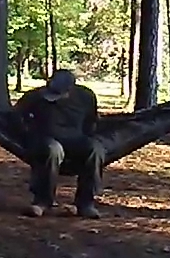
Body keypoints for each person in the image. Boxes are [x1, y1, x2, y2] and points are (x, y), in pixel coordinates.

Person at [12, 69, 105, 218]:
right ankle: (42, 202)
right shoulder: (35, 97)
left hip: (75, 139)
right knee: (52, 150)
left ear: (70, 90)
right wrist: (28, 131)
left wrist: (87, 136)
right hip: (45, 139)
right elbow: (15, 116)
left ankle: (86, 203)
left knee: (95, 149)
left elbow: (91, 122)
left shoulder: (86, 97)